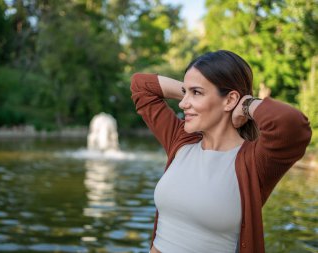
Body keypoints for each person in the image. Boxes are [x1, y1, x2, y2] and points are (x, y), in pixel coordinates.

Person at [130, 50, 311, 253]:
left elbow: (293, 125)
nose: (182, 103)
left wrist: (247, 104)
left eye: (196, 93)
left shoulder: (254, 162)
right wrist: (192, 89)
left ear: (230, 100)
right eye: (184, 92)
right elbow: (140, 86)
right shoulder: (181, 141)